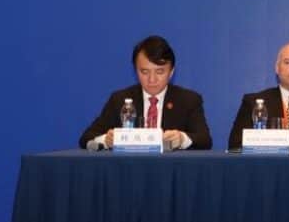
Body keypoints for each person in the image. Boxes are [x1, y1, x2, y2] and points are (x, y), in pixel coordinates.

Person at [78, 35, 212, 150]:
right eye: (144, 71)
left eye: (159, 71)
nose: (152, 79)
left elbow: (205, 140)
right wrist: (105, 140)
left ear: (171, 72)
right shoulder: (119, 99)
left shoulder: (188, 100)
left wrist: (182, 139)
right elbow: (86, 138)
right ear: (136, 70)